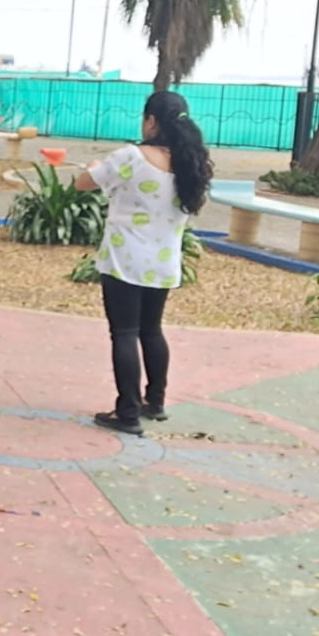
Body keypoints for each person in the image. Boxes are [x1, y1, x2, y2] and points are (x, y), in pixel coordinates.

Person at [75, 89, 214, 435]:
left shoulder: (132, 157)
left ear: (151, 121)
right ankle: (156, 401)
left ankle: (127, 412)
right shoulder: (189, 163)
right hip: (163, 263)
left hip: (125, 260)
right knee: (152, 330)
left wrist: (93, 167)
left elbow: (82, 184)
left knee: (124, 333)